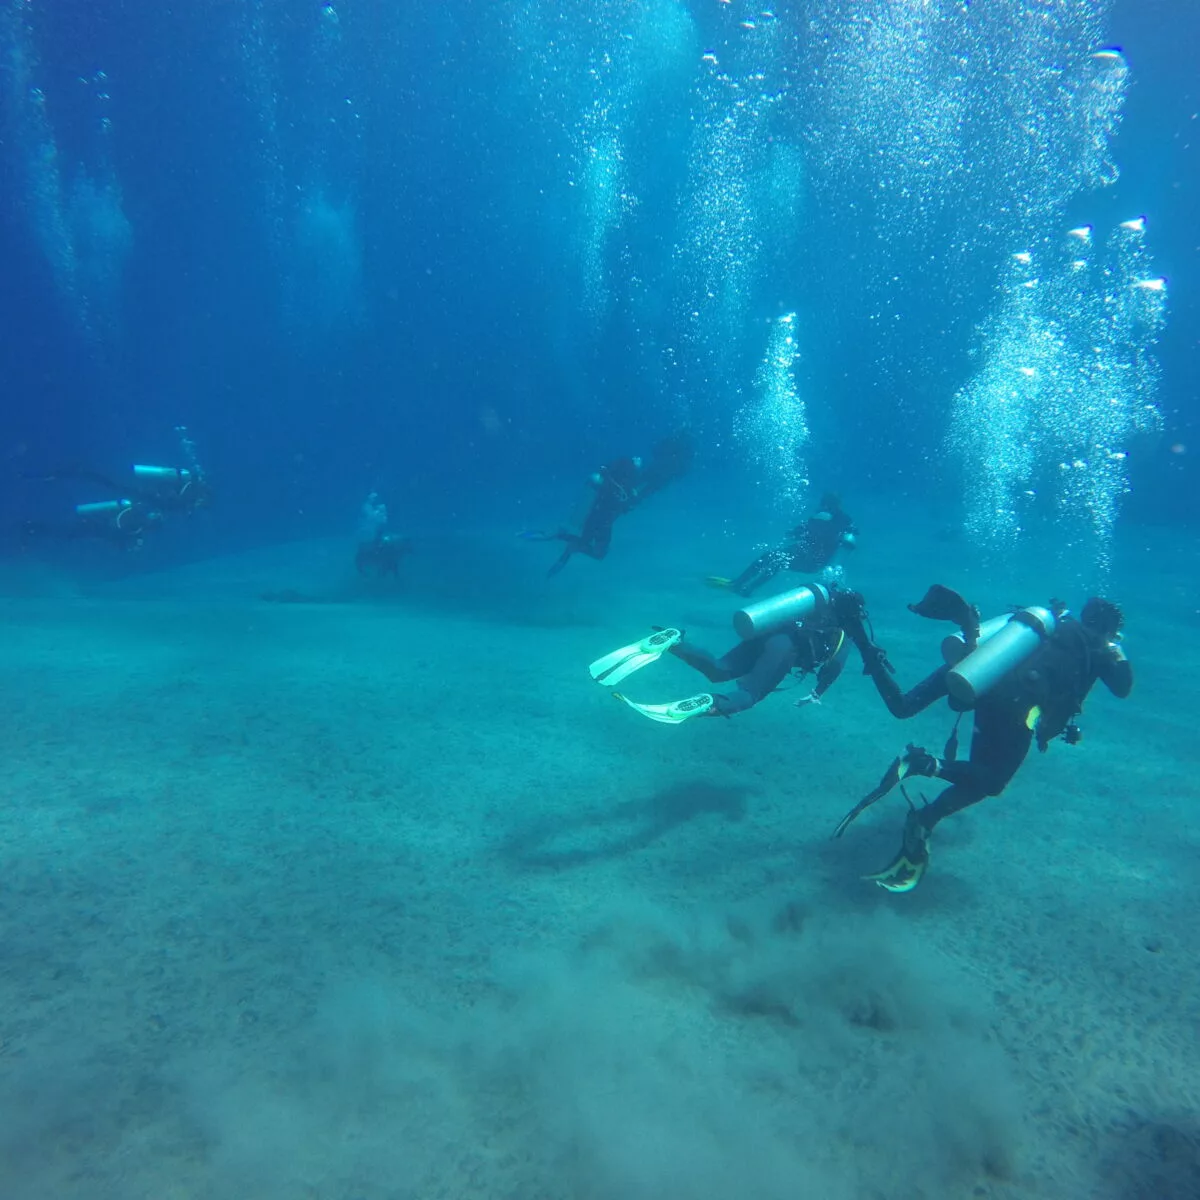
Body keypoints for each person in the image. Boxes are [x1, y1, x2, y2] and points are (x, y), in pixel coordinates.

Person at [829, 583, 1133, 891]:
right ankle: (924, 765)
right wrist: (1114, 647)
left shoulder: (1052, 625)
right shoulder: (1098, 647)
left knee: (906, 708)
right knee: (992, 781)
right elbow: (1123, 687)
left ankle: (860, 637)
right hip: (1013, 705)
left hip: (979, 665)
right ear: (1108, 627)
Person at [587, 581, 848, 723]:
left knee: (720, 669)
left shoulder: (808, 608)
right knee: (748, 695)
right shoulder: (841, 629)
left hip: (768, 634)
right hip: (785, 648)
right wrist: (817, 693)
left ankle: (674, 642)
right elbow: (835, 665)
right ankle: (713, 703)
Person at [523, 430, 694, 577]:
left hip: (602, 516)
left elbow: (636, 490)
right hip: (603, 518)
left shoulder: (625, 478)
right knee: (596, 550)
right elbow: (634, 494)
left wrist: (632, 498)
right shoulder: (630, 482)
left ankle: (566, 544)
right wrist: (633, 499)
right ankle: (560, 538)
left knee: (590, 545)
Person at [710, 492, 857, 597]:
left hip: (815, 562)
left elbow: (847, 536)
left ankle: (746, 587)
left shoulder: (841, 520)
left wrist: (829, 527)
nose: (825, 507)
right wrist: (795, 531)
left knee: (778, 562)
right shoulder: (819, 517)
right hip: (803, 553)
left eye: (828, 504)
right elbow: (799, 532)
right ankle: (740, 584)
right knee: (770, 556)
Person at [354, 492, 412, 579]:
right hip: (377, 538)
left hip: (379, 537)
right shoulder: (373, 510)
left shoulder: (378, 510)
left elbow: (380, 523)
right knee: (384, 551)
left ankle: (385, 570)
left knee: (387, 552)